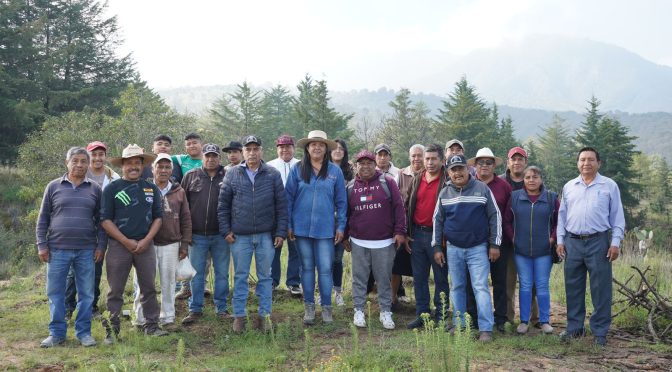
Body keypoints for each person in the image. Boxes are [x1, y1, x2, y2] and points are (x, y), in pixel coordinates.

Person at [36, 147, 106, 348]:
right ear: (67, 163)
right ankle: (57, 333)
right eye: (75, 161)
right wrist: (42, 244)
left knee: (87, 294)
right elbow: (43, 219)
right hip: (57, 249)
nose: (79, 165)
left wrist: (101, 245)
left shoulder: (95, 189)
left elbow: (101, 221)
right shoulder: (53, 187)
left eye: (84, 161)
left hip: (86, 250)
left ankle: (83, 333)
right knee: (55, 293)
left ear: (88, 164)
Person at [218, 135, 288, 333]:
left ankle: (264, 315)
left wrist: (280, 232)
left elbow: (281, 206)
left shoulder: (272, 174)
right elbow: (223, 205)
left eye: (256, 148)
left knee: (265, 277)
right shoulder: (232, 174)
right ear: (243, 152)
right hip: (240, 236)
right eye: (248, 149)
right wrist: (226, 230)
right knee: (240, 277)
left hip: (266, 235)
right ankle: (239, 316)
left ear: (261, 151)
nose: (252, 152)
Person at [556, 147, 625, 346]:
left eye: (591, 160)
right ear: (577, 163)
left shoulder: (609, 186)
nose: (586, 163)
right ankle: (575, 329)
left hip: (599, 242)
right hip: (572, 242)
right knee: (573, 287)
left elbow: (617, 217)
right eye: (582, 159)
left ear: (598, 163)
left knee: (601, 288)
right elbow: (562, 216)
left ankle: (600, 332)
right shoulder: (569, 186)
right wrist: (560, 240)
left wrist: (615, 243)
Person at [101, 144, 167, 344]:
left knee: (148, 288)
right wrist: (125, 241)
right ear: (123, 165)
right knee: (115, 290)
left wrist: (146, 240)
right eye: (129, 163)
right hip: (118, 246)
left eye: (137, 163)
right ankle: (112, 332)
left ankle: (152, 326)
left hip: (145, 246)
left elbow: (158, 217)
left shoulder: (151, 188)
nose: (133, 166)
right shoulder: (112, 188)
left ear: (142, 165)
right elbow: (105, 220)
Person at [433, 154, 502, 342]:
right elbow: (437, 221)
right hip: (453, 248)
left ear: (467, 169)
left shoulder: (482, 188)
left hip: (478, 248)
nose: (457, 173)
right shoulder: (444, 193)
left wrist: (495, 244)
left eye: (460, 168)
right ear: (448, 172)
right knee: (457, 287)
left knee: (480, 287)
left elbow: (495, 216)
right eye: (453, 170)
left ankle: (486, 329)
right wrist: (437, 247)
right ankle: (459, 324)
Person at [285, 130, 347, 325]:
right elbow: (288, 199)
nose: (317, 147)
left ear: (326, 148)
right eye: (313, 144)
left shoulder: (334, 171)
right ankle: (309, 307)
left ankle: (327, 308)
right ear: (307, 148)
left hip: (326, 229)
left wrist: (341, 226)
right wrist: (288, 224)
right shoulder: (297, 169)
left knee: (326, 269)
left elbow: (342, 202)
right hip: (301, 228)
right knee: (307, 268)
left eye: (321, 144)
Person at [345, 150, 406, 330]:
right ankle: (358, 310)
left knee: (383, 278)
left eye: (369, 163)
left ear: (375, 164)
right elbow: (345, 214)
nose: (365, 166)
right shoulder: (350, 187)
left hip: (384, 241)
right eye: (361, 163)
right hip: (358, 241)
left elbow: (399, 208)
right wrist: (345, 235)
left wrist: (400, 231)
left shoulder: (387, 182)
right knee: (359, 279)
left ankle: (385, 311)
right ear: (356, 166)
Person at [132, 154, 191, 330]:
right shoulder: (144, 188)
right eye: (160, 166)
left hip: (171, 243)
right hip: (146, 243)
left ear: (172, 170)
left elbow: (186, 218)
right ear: (152, 169)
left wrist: (185, 244)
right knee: (142, 282)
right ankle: (140, 319)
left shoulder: (178, 191)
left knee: (169, 283)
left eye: (167, 167)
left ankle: (168, 319)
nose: (163, 170)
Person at [63, 141, 119, 320]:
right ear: (88, 157)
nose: (97, 158)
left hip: (103, 229)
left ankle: (92, 307)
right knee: (72, 272)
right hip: (80, 229)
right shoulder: (79, 172)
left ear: (105, 156)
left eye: (101, 154)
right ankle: (67, 308)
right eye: (93, 154)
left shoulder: (113, 177)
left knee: (95, 270)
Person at [503, 166, 558, 335]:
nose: (531, 180)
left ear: (541, 179)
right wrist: (513, 238)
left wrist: (552, 238)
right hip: (521, 251)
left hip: (544, 251)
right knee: (525, 286)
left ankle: (545, 321)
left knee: (542, 286)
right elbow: (506, 221)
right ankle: (524, 321)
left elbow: (559, 222)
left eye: (535, 177)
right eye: (527, 177)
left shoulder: (551, 198)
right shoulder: (515, 197)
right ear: (524, 180)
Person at [180, 144, 231, 325]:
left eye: (214, 156)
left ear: (219, 158)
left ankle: (221, 308)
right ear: (202, 157)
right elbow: (182, 206)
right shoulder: (191, 176)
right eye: (207, 156)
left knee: (222, 273)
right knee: (197, 274)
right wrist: (185, 234)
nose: (211, 159)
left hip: (221, 235)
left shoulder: (228, 175)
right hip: (197, 236)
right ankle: (195, 309)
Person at [465, 148, 511, 332]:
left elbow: (507, 216)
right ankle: (474, 317)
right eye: (480, 162)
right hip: (472, 242)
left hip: (498, 242)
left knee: (499, 280)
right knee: (473, 282)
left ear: (494, 165)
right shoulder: (467, 184)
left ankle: (500, 319)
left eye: (488, 162)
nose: (484, 166)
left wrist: (499, 243)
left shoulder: (503, 186)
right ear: (474, 165)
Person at [405, 144, 450, 329]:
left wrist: (444, 238)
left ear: (442, 160)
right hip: (417, 234)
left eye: (434, 159)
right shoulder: (417, 179)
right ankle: (422, 315)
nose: (430, 162)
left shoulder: (448, 180)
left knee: (440, 278)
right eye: (427, 158)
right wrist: (407, 233)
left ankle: (440, 315)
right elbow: (407, 205)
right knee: (419, 278)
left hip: (438, 236)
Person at [501, 146, 540, 327]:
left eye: (520, 159)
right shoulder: (501, 182)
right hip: (507, 241)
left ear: (525, 162)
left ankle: (535, 318)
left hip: (530, 240)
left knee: (531, 282)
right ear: (508, 162)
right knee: (508, 282)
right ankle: (509, 318)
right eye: (513, 159)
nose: (517, 162)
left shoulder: (532, 182)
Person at [266, 135, 302, 295]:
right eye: (281, 147)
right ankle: (272, 281)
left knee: (296, 250)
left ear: (293, 148)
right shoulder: (269, 166)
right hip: (275, 215)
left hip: (297, 214)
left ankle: (293, 282)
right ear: (277, 149)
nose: (285, 149)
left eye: (288, 146)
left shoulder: (302, 165)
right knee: (274, 249)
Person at [391, 144, 425, 307]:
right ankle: (392, 299)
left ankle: (421, 303)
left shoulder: (429, 174)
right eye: (414, 155)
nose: (416, 158)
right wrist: (401, 231)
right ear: (409, 157)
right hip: (404, 228)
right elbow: (397, 203)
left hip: (422, 228)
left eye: (420, 155)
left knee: (421, 268)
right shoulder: (401, 174)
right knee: (396, 265)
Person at [173, 133, 205, 300]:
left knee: (203, 256)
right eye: (189, 144)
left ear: (202, 144)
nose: (192, 146)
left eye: (195, 143)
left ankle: (201, 285)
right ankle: (186, 287)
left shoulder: (207, 159)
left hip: (204, 215)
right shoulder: (180, 160)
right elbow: (162, 155)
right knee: (185, 252)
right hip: (186, 213)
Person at [330, 138, 354, 306]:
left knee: (337, 259)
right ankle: (323, 291)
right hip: (324, 219)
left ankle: (337, 292)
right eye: (335, 148)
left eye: (341, 148)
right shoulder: (323, 169)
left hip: (343, 219)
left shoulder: (350, 172)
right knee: (323, 259)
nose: (338, 151)